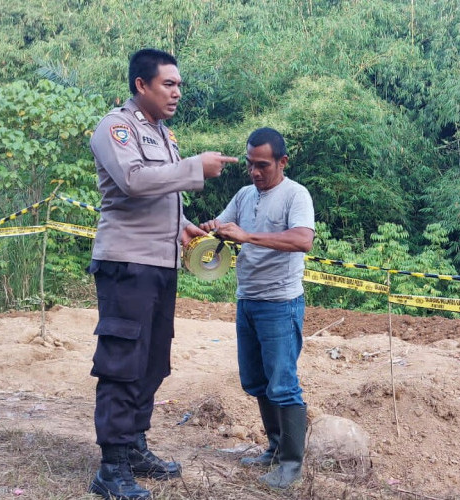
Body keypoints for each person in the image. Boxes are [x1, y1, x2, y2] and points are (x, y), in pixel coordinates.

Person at [87, 48, 238, 499]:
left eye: (178, 85)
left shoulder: (163, 135)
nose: (176, 93)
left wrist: (183, 227)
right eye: (168, 84)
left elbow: (158, 195)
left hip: (160, 264)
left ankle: (134, 445)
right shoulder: (116, 127)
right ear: (141, 85)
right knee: (122, 362)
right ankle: (111, 468)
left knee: (153, 360)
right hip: (126, 264)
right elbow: (133, 181)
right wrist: (196, 168)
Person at [200, 127, 315, 489]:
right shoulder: (245, 195)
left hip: (281, 303)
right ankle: (275, 449)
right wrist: (210, 229)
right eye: (250, 164)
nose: (255, 172)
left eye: (262, 165)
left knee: (283, 384)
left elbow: (302, 239)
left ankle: (292, 464)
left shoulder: (296, 195)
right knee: (257, 382)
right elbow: (224, 224)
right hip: (247, 300)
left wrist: (247, 236)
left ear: (282, 161)